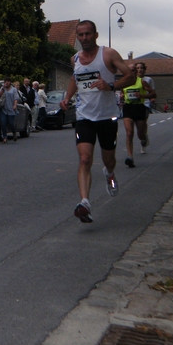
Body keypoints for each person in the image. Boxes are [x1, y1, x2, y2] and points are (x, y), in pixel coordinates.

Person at [60, 20, 135, 223]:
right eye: (81, 35)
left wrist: (111, 85)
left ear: (96, 35)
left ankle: (109, 174)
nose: (84, 38)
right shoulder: (75, 58)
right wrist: (67, 98)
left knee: (108, 160)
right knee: (85, 159)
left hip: (107, 116)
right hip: (84, 116)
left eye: (88, 34)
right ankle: (85, 203)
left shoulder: (108, 54)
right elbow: (75, 79)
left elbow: (130, 76)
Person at [122, 63, 157, 166]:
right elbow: (121, 92)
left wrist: (141, 95)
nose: (132, 72)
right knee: (129, 133)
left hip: (140, 108)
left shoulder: (142, 82)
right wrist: (121, 96)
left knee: (140, 134)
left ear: (136, 72)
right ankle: (130, 157)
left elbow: (153, 94)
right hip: (128, 108)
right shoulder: (124, 82)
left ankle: (144, 138)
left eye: (133, 70)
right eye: (130, 70)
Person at [0, 78, 19, 143]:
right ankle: (5, 137)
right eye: (5, 81)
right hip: (3, 109)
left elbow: (15, 98)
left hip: (11, 109)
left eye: (8, 81)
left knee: (11, 123)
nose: (6, 83)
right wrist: (3, 88)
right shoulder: (2, 88)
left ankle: (14, 133)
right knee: (3, 123)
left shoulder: (14, 90)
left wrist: (15, 105)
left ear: (10, 82)